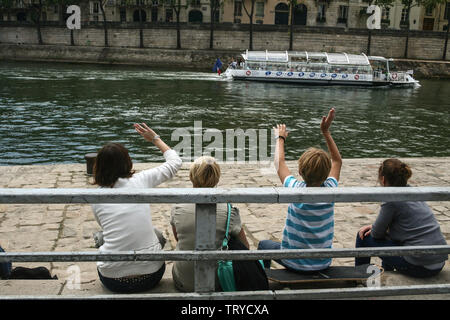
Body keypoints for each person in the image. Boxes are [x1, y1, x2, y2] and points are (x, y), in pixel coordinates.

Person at [91, 123, 182, 293]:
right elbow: (175, 162)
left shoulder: (96, 197)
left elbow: (105, 225)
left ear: (98, 166)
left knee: (102, 236)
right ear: (127, 161)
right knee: (156, 234)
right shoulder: (141, 180)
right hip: (151, 276)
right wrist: (155, 138)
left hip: (113, 280)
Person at [258, 108, 342, 272]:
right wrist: (326, 132)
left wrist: (280, 138)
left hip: (293, 263)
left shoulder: (295, 188)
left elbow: (279, 163)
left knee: (263, 245)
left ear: (300, 172)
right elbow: (337, 161)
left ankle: (264, 280)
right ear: (327, 173)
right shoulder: (331, 188)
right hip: (322, 263)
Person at [355, 158, 448, 278]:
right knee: (390, 240)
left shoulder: (391, 199)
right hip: (438, 262)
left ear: (383, 179)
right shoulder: (413, 191)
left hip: (421, 267)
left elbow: (377, 234)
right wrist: (375, 227)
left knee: (363, 237)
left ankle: (359, 277)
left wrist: (375, 229)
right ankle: (387, 273)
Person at [170, 156, 250, 292]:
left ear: (191, 177)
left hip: (184, 282)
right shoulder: (229, 210)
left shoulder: (178, 208)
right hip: (218, 282)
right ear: (217, 178)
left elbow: (178, 238)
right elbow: (245, 247)